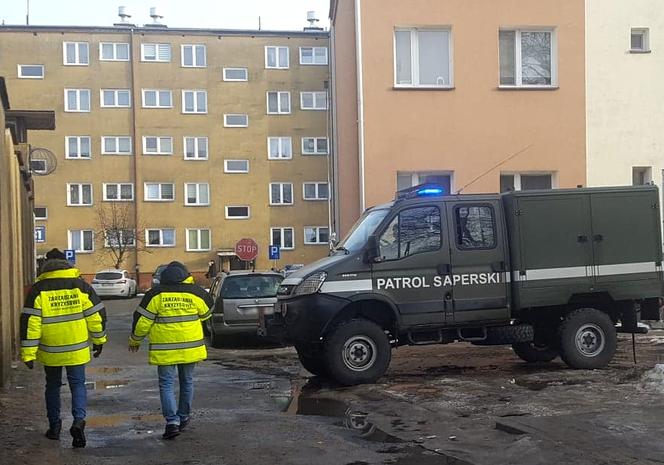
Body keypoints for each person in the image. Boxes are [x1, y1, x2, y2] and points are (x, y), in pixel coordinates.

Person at [20, 248, 107, 448]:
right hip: (76, 349)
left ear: (45, 268)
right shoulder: (80, 286)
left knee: (52, 386)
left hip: (51, 351)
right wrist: (99, 340)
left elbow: (30, 324)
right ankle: (78, 421)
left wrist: (28, 353)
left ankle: (55, 427)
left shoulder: (38, 289)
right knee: (78, 385)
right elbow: (96, 315)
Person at [128, 261, 213, 439]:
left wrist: (135, 340)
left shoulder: (155, 295)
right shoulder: (195, 293)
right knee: (187, 381)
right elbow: (207, 313)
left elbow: (143, 321)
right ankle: (183, 417)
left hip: (165, 349)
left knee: (166, 384)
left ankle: (172, 422)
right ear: (185, 276)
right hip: (190, 348)